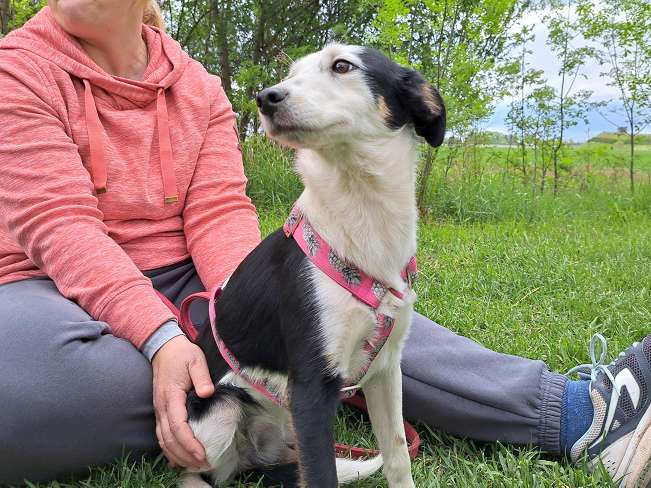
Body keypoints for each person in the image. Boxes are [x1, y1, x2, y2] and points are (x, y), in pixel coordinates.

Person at [0, 1, 648, 486]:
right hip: (50, 291)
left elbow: (218, 211)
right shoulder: (19, 70)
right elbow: (62, 229)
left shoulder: (195, 86)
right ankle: (260, 415)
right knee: (25, 400)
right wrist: (162, 339)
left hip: (191, 276)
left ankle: (578, 411)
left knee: (349, 310)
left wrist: (266, 315)